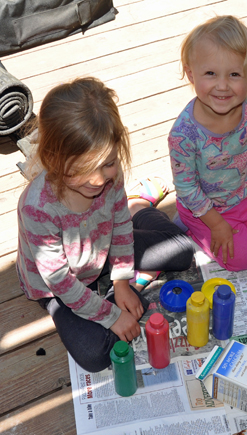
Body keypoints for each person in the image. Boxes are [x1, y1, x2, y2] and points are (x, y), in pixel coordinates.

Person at [16, 77, 194, 373]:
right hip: (59, 288)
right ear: (53, 157)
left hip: (104, 249)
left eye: (108, 163)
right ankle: (120, 288)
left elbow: (121, 226)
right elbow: (59, 280)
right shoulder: (37, 207)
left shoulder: (110, 177)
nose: (99, 180)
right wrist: (110, 315)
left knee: (183, 250)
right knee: (95, 355)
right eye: (83, 170)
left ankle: (139, 205)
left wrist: (122, 280)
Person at [168, 15, 247, 271]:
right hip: (204, 210)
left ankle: (239, 222)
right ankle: (190, 227)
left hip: (245, 199)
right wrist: (216, 224)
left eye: (234, 74)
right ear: (191, 74)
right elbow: (187, 186)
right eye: (210, 73)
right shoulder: (183, 133)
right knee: (245, 259)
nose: (222, 86)